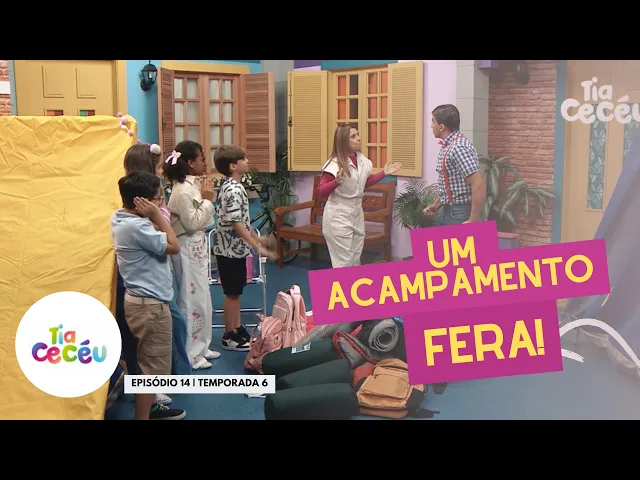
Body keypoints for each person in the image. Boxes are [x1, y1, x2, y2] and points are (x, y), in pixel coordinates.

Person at [118, 143, 192, 409]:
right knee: (152, 360)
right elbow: (173, 245)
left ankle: (156, 394)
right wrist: (158, 217)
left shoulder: (122, 218)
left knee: (155, 350)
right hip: (150, 301)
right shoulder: (138, 226)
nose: (162, 170)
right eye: (158, 166)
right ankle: (152, 402)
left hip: (147, 295)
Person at [212, 145, 277, 351]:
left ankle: (237, 328)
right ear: (233, 166)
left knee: (235, 293)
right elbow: (236, 224)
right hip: (229, 251)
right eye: (243, 159)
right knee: (231, 294)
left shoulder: (231, 186)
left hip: (234, 250)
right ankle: (229, 335)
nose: (247, 161)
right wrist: (258, 246)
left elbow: (241, 222)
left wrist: (258, 240)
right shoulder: (233, 189)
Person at [164, 140, 220, 370]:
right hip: (186, 247)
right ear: (190, 162)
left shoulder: (190, 186)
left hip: (196, 246)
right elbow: (192, 223)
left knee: (203, 297)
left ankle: (202, 346)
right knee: (191, 299)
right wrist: (207, 200)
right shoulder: (183, 190)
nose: (205, 162)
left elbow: (203, 221)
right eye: (201, 158)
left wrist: (205, 201)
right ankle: (191, 353)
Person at [318, 124, 401, 268]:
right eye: (353, 136)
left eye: (358, 134)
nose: (359, 138)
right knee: (343, 263)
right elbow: (321, 192)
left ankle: (352, 283)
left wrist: (383, 173)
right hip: (338, 214)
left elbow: (363, 182)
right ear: (343, 141)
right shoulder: (334, 164)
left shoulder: (363, 161)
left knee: (355, 260)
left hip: (356, 212)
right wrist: (335, 182)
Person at [423, 104, 485, 225]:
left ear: (441, 127)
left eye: (433, 121)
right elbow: (452, 183)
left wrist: (473, 220)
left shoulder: (459, 147)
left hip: (460, 214)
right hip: (448, 211)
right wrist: (436, 205)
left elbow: (478, 184)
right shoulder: (448, 146)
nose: (431, 125)